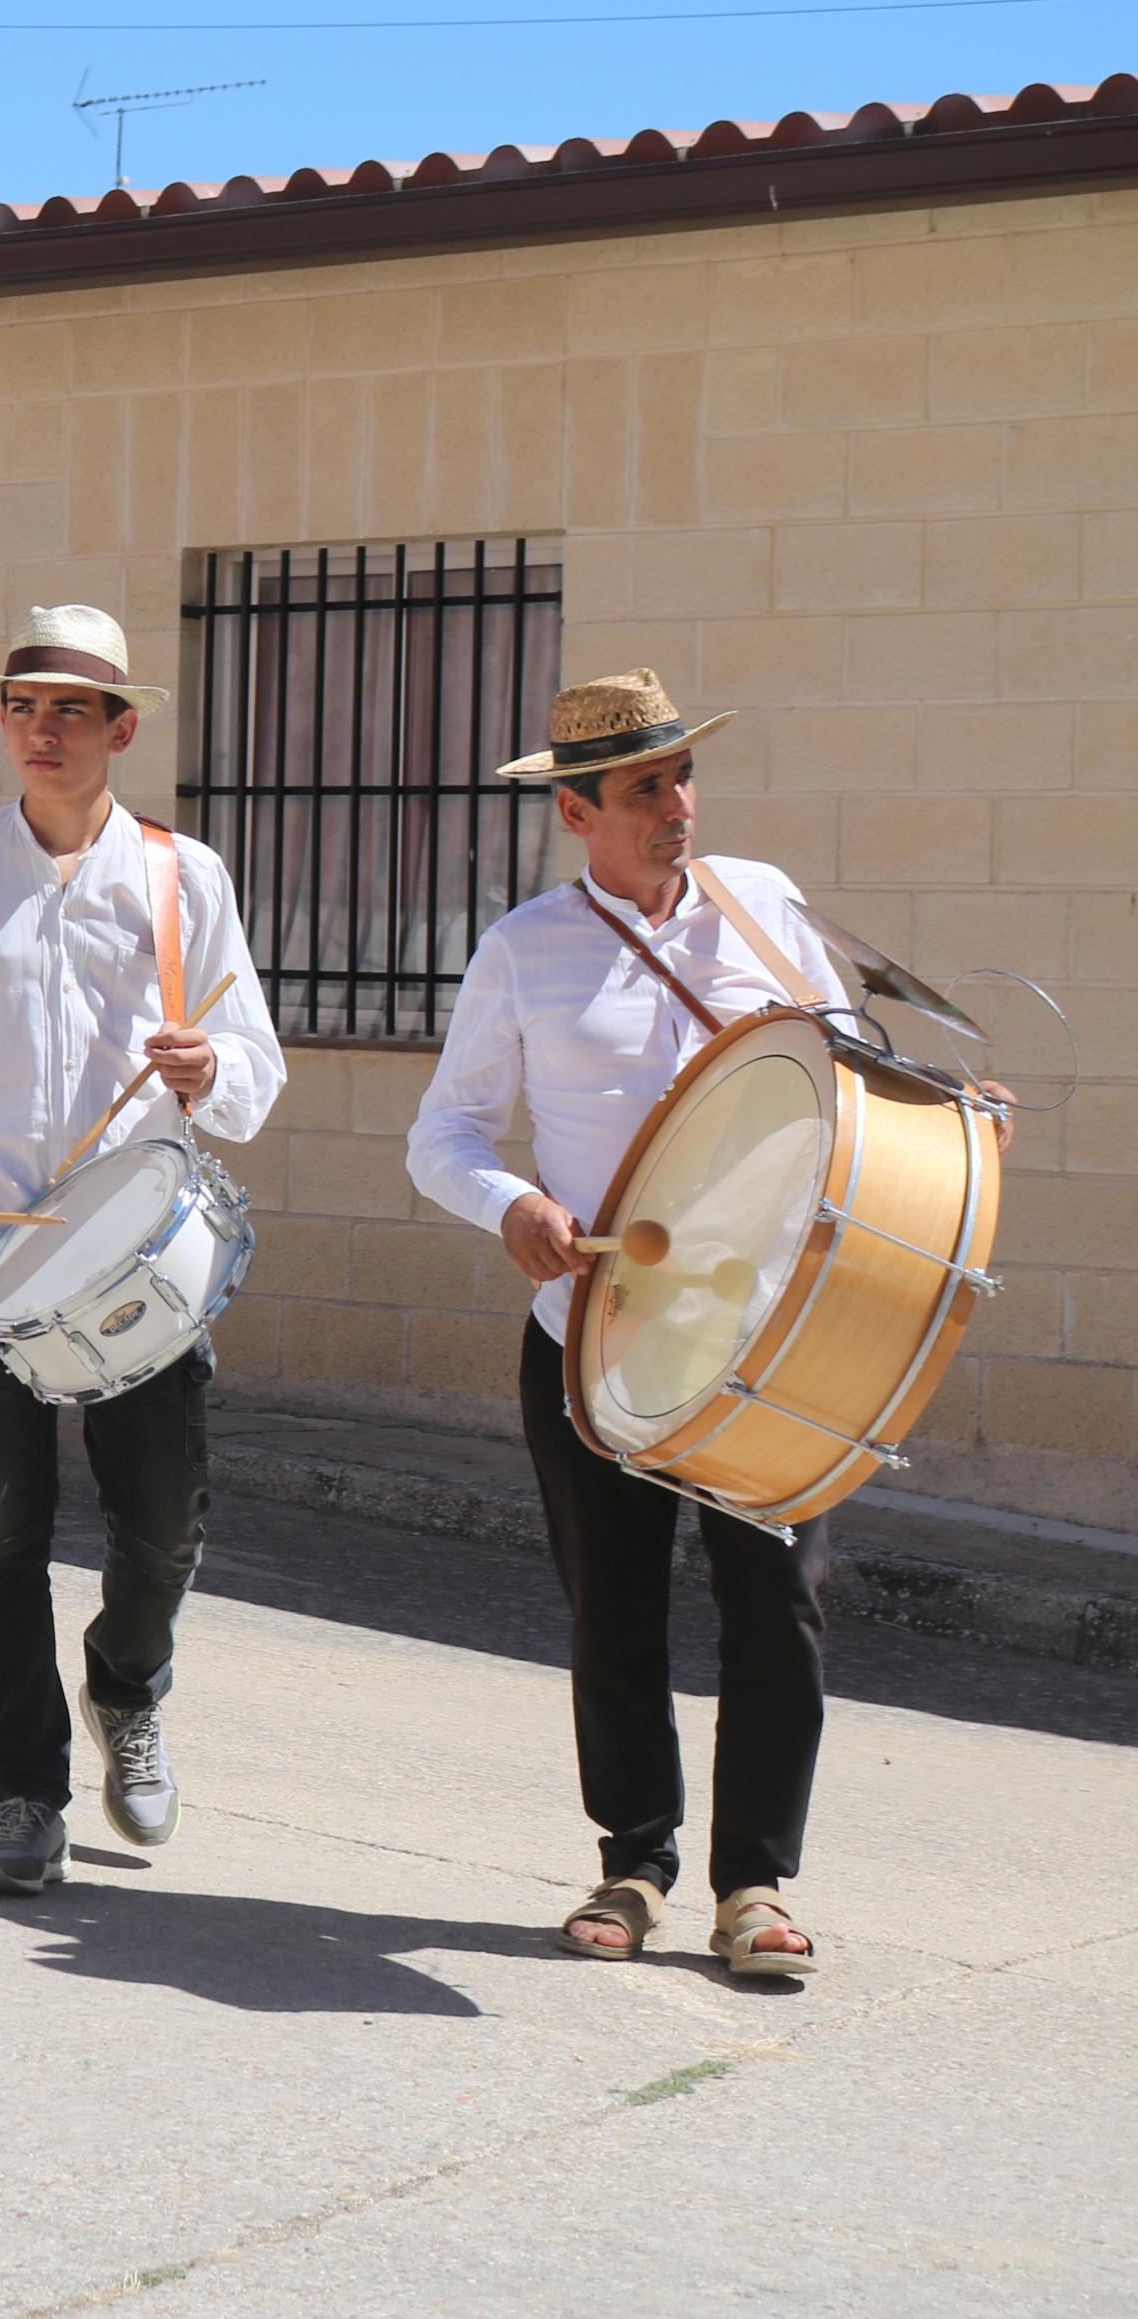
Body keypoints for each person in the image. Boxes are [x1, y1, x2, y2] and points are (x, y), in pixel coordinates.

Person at [404, 670, 999, 1985]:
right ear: (575, 812)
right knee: (609, 1608)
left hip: (773, 1334)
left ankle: (753, 1883)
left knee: (772, 1604)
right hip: (593, 1332)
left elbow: (848, 1060)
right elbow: (439, 1134)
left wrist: (949, 1107)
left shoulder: (761, 902)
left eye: (681, 777)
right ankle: (631, 1859)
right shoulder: (521, 951)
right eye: (641, 787)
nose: (674, 805)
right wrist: (510, 1204)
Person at [0, 602, 284, 1898]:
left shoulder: (182, 877)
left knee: (160, 1525)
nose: (38, 728)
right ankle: (22, 1793)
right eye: (20, 706)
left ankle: (124, 1686)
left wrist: (210, 1071)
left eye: (67, 708)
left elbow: (251, 1063)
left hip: (141, 1259)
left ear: (118, 727)